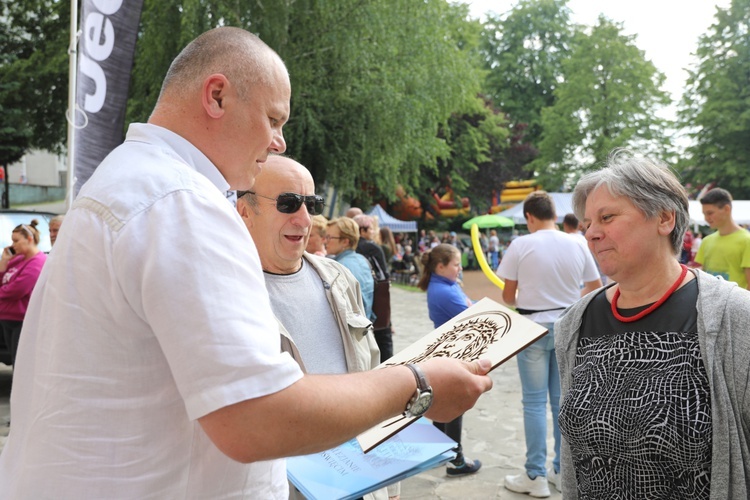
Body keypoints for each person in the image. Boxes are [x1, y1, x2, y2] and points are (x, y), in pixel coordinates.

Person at [0, 27, 492, 498]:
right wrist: (417, 384)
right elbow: (256, 418)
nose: (278, 141)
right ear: (216, 96)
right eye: (274, 120)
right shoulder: (183, 201)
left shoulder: (130, 182)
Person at [556, 150, 750, 499]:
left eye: (607, 217)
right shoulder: (575, 323)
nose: (591, 234)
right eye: (587, 224)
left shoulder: (734, 318)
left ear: (664, 218)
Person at [236, 155, 396, 500]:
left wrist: (390, 483)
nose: (305, 218)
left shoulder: (340, 278)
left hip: (358, 479)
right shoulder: (225, 293)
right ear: (244, 211)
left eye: (312, 204)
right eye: (289, 203)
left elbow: (370, 374)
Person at [497, 191, 602, 498]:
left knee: (533, 403)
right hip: (567, 326)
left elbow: (507, 296)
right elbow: (594, 287)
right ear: (554, 214)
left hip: (531, 327)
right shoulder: (578, 242)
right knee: (560, 402)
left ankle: (534, 474)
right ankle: (560, 471)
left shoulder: (521, 244)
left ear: (530, 217)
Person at [418, 244, 482, 477]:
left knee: (444, 403)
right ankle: (456, 460)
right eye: (456, 264)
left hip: (449, 353)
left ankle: (440, 452)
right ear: (441, 266)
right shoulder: (444, 290)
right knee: (454, 406)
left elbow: (469, 306)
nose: (460, 268)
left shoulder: (444, 285)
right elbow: (473, 316)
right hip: (452, 355)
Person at [0, 221, 47, 368]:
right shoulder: (18, 259)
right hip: (7, 317)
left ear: (29, 239)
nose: (13, 245)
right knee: (16, 361)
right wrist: (4, 262)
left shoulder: (37, 262)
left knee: (21, 364)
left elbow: (17, 290)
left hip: (22, 320)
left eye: (16, 240)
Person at [353, 214, 394, 362]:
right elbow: (384, 276)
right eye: (370, 228)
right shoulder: (372, 248)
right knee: (384, 340)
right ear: (362, 230)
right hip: (377, 298)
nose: (373, 232)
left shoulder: (351, 248)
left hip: (360, 302)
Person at [694, 187, 750, 289]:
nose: (706, 218)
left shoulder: (747, 241)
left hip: (738, 303)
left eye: (710, 213)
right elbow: (703, 273)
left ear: (726, 209)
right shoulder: (706, 241)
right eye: (704, 214)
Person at [326, 217, 376, 322]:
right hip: (363, 325)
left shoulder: (339, 267)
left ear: (345, 242)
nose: (326, 241)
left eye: (330, 237)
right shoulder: (361, 259)